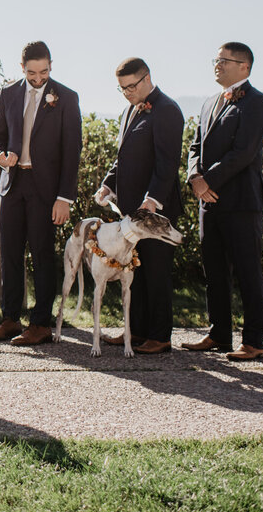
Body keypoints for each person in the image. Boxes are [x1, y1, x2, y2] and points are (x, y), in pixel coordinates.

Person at [0, 41, 82, 347]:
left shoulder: (66, 97)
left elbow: (72, 151)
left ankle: (40, 324)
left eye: (44, 71)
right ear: (21, 67)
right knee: (9, 254)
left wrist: (65, 198)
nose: (38, 78)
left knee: (41, 255)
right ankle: (10, 319)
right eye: (32, 72)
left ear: (51, 65)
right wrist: (0, 157)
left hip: (46, 190)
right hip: (12, 185)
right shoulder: (9, 93)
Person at [182, 42, 263, 362]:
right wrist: (194, 178)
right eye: (216, 60)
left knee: (248, 273)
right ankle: (219, 333)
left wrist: (209, 180)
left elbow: (245, 152)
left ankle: (253, 340)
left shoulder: (258, 103)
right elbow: (194, 146)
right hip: (209, 203)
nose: (217, 65)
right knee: (215, 272)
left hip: (241, 202)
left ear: (244, 67)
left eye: (224, 60)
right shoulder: (209, 103)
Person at [93, 58, 184, 355]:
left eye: (132, 86)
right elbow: (123, 159)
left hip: (155, 213)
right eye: (122, 89)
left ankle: (159, 336)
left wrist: (152, 202)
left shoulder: (168, 110)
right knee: (135, 272)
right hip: (132, 216)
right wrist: (108, 185)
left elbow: (166, 164)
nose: (128, 93)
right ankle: (136, 331)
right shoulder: (128, 111)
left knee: (156, 273)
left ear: (147, 78)